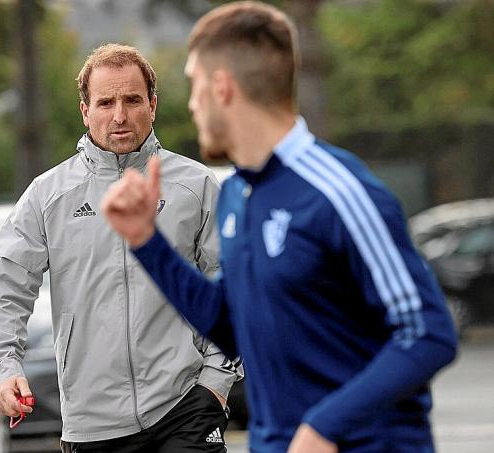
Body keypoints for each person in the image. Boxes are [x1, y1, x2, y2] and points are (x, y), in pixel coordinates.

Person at [101, 3, 458, 453]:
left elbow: (428, 333)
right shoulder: (236, 195)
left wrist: (325, 426)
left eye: (194, 85)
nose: (190, 104)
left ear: (222, 87)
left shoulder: (337, 190)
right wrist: (145, 241)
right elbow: (231, 327)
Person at [0, 43, 242, 453]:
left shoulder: (197, 185)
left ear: (152, 105)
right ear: (85, 111)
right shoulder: (48, 195)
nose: (119, 115)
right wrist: (5, 367)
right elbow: (4, 287)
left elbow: (236, 285)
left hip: (186, 406)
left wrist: (216, 382)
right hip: (91, 424)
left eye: (132, 100)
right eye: (105, 102)